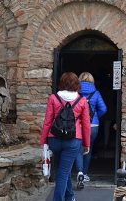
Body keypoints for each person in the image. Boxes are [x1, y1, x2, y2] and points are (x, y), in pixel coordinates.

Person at [40, 72, 91, 201]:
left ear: (61, 83)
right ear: (76, 85)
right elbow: (86, 125)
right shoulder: (82, 100)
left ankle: (70, 197)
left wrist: (44, 141)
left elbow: (47, 121)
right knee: (63, 172)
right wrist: (86, 144)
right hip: (73, 141)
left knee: (64, 169)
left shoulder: (53, 98)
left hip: (54, 139)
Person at [75, 72, 107, 189]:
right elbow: (104, 109)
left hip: (78, 125)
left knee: (78, 148)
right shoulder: (96, 93)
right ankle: (85, 173)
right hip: (93, 125)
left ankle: (79, 172)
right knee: (88, 148)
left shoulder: (76, 93)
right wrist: (95, 116)